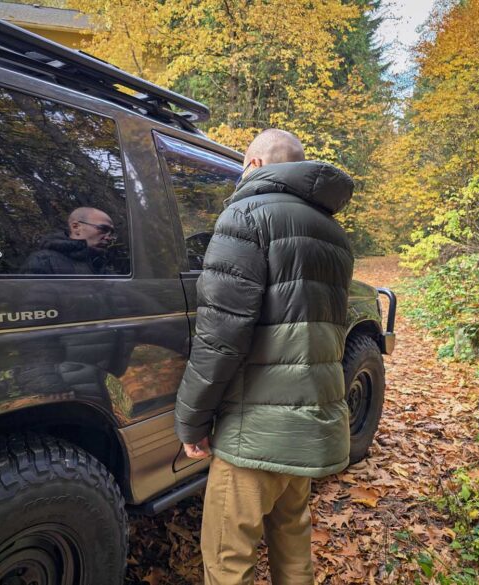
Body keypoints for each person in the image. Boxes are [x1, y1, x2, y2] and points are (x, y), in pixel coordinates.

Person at [174, 129, 355, 584]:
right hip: (310, 421)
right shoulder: (333, 233)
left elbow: (220, 337)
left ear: (253, 165)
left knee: (228, 557)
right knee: (293, 544)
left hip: (252, 433)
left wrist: (192, 421)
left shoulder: (246, 215)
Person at [22, 206, 115, 274]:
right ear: (76, 227)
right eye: (103, 229)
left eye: (111, 233)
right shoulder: (43, 261)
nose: (108, 237)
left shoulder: (101, 265)